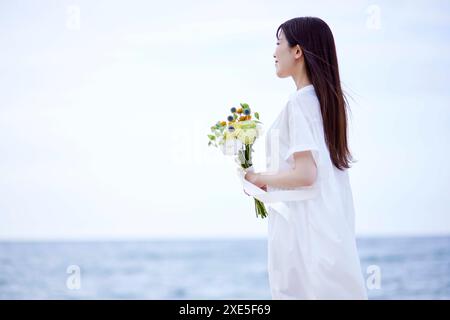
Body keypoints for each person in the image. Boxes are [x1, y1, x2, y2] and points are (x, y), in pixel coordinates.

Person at [244, 17, 368, 299]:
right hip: (332, 230)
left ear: (297, 51)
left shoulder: (299, 102)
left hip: (305, 237)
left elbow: (305, 174)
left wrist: (257, 178)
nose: (274, 52)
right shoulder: (326, 103)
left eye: (278, 43)